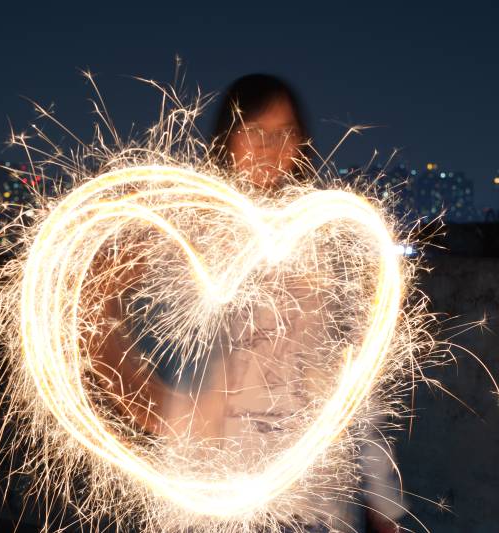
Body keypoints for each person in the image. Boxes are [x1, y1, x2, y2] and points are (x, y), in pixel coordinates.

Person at [95, 74, 404, 532]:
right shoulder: (189, 232)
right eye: (254, 132)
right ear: (228, 138)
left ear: (302, 143)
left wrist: (385, 511)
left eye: (284, 134)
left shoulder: (327, 244)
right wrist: (148, 403)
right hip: (211, 500)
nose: (270, 149)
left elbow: (360, 390)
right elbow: (93, 303)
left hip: (310, 503)